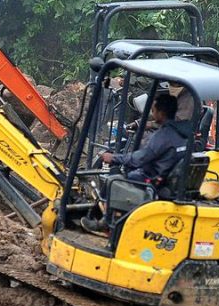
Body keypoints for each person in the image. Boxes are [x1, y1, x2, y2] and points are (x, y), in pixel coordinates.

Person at [81, 94, 191, 235]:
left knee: (112, 180)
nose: (152, 113)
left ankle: (104, 222)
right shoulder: (182, 134)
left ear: (161, 113)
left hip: (151, 181)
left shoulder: (164, 136)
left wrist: (114, 158)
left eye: (153, 110)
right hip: (165, 179)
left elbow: (140, 159)